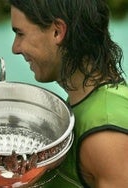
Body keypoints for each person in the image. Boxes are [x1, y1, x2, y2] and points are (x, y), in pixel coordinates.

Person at [9, 0, 128, 187]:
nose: (15, 48)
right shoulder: (85, 106)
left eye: (20, 33)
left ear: (57, 31)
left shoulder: (104, 132)